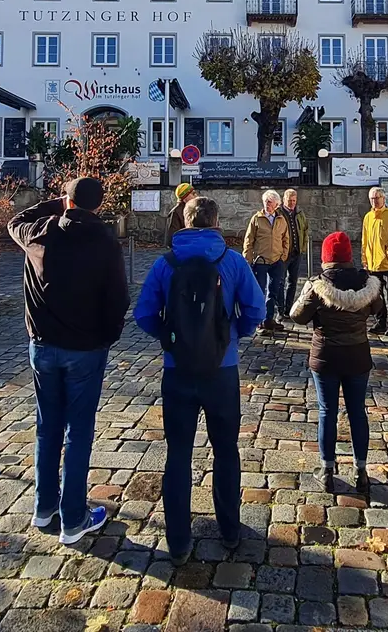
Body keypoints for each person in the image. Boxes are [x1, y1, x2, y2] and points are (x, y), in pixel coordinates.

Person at [134, 196, 266, 565]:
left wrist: (170, 338)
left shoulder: (166, 264)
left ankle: (178, 542)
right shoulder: (233, 261)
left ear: (185, 221)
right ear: (217, 221)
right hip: (222, 371)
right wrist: (232, 336)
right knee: (226, 451)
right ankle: (229, 530)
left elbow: (143, 314)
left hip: (177, 371)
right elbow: (257, 309)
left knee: (178, 453)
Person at [7, 177, 130, 544]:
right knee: (78, 432)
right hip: (86, 349)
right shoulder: (105, 241)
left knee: (47, 427)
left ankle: (44, 507)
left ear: (68, 201)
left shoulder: (39, 233)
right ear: (98, 205)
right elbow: (118, 299)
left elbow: (15, 221)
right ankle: (73, 518)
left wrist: (55, 204)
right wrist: (106, 336)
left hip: (43, 345)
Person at [289, 231, 380, 494]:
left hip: (326, 355)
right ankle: (361, 470)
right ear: (349, 256)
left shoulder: (319, 285)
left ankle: (327, 470)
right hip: (358, 355)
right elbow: (378, 308)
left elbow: (297, 316)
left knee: (328, 411)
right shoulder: (367, 283)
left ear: (326, 257)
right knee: (357, 411)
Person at [243, 189, 291, 331]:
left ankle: (269, 319)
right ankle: (259, 322)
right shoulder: (256, 219)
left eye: (270, 202)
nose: (267, 205)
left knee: (273, 292)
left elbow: (286, 239)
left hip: (277, 261)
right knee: (260, 291)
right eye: (265, 202)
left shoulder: (281, 220)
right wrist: (248, 258)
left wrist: (283, 256)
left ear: (276, 204)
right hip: (260, 261)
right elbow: (248, 240)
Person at [361, 186, 388, 337]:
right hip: (372, 264)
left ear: (384, 199)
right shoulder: (368, 217)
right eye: (372, 198)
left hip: (387, 264)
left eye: (377, 198)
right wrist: (364, 259)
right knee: (377, 296)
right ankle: (381, 321)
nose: (375, 201)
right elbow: (365, 240)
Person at [279, 188, 310, 307]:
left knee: (293, 282)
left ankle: (289, 308)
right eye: (289, 200)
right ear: (284, 200)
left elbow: (305, 229)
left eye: (294, 200)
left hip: (296, 253)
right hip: (283, 253)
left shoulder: (299, 213)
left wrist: (303, 247)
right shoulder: (279, 213)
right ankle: (280, 309)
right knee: (280, 282)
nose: (292, 203)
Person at [165, 181, 197, 247]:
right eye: (193, 193)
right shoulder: (175, 213)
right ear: (185, 197)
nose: (196, 195)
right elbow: (171, 238)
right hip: (182, 249)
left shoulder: (195, 209)